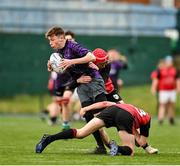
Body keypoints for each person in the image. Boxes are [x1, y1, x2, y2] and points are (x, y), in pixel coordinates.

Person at [45, 26, 108, 154]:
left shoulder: (72, 46)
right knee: (89, 117)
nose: (50, 43)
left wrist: (70, 61)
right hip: (82, 85)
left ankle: (131, 137)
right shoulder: (59, 52)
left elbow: (91, 57)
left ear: (61, 37)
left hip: (93, 81)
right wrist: (54, 67)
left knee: (102, 117)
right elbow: (65, 67)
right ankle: (101, 147)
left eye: (52, 40)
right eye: (49, 41)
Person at [35, 101, 158, 156]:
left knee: (81, 133)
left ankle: (49, 138)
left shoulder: (128, 106)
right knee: (130, 151)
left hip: (112, 110)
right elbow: (141, 143)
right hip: (125, 116)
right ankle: (116, 147)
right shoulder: (147, 119)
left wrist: (86, 109)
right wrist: (142, 144)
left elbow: (104, 104)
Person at [151, 55, 180, 125]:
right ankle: (160, 119)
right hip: (163, 91)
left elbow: (177, 80)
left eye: (170, 61)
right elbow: (156, 80)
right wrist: (153, 88)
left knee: (171, 105)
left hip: (172, 90)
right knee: (162, 104)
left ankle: (171, 118)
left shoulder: (174, 70)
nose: (169, 63)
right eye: (168, 61)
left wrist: (178, 88)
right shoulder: (161, 70)